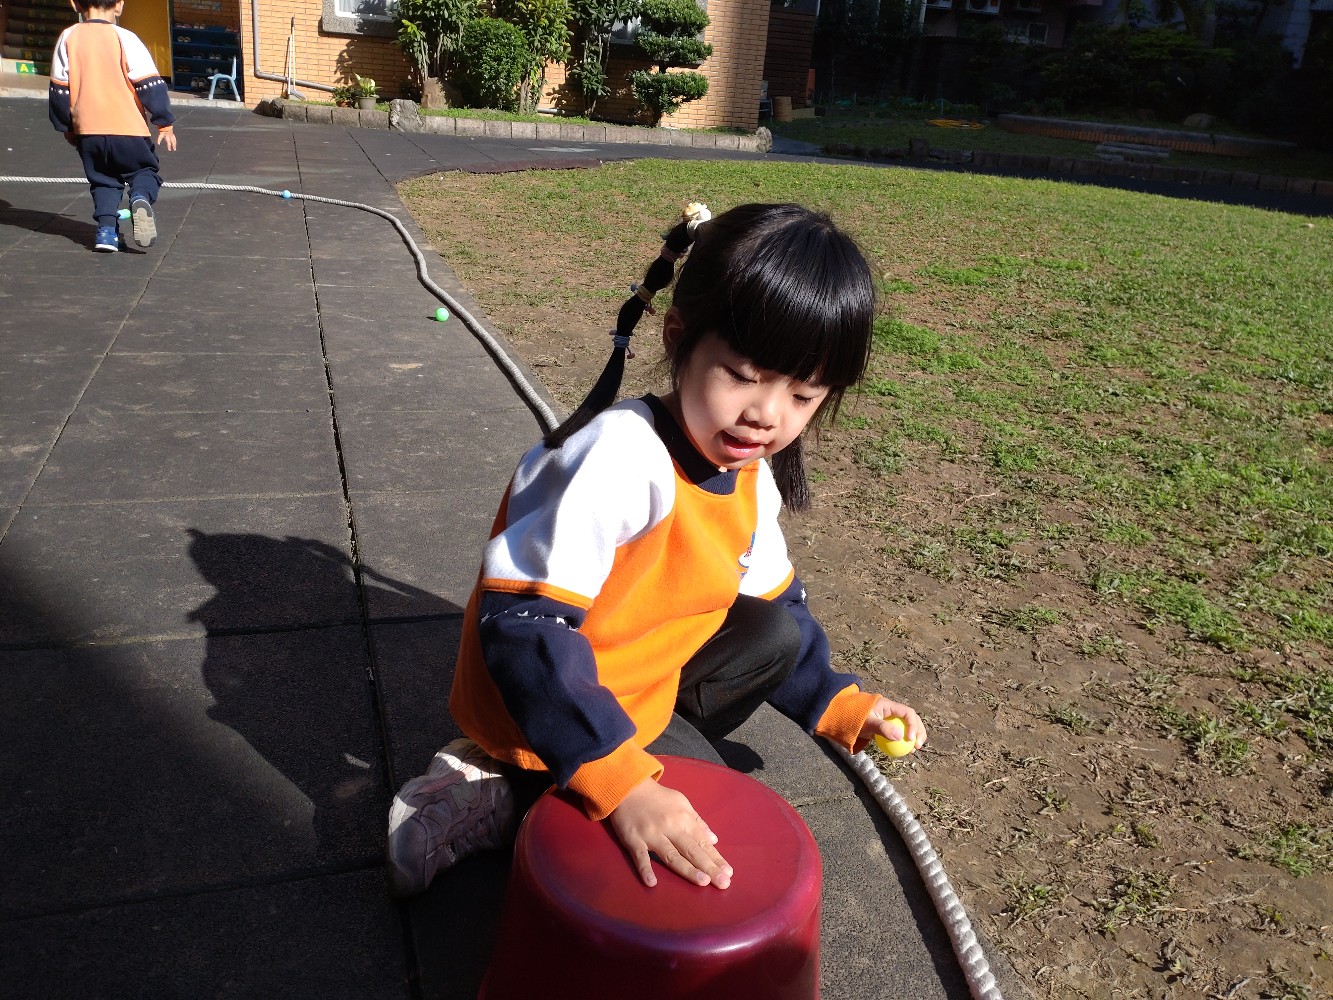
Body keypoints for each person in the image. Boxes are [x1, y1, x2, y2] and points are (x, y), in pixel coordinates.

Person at [387, 202, 928, 897]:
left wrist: (843, 703)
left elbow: (779, 603)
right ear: (678, 338)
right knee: (674, 844)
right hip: (539, 697)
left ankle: (601, 764)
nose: (765, 415)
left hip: (640, 684)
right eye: (742, 375)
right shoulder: (615, 457)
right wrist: (623, 784)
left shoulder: (748, 474)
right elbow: (524, 629)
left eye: (801, 395)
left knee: (775, 633)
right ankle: (490, 778)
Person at [48, 0, 177, 253]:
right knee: (144, 171)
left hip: (88, 130)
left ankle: (106, 233)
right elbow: (149, 83)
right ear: (119, 4)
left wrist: (67, 127)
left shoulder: (68, 37)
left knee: (103, 179)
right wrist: (164, 123)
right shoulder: (126, 38)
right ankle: (139, 197)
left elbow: (59, 89)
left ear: (75, 4)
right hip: (128, 128)